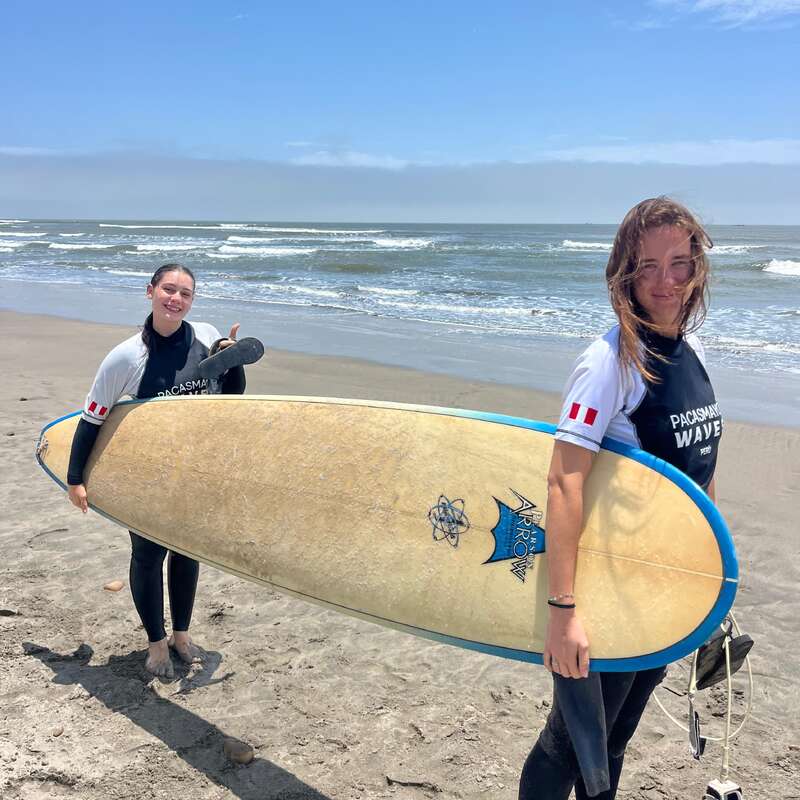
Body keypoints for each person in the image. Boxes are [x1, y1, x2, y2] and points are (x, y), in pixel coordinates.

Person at [519, 197, 721, 799]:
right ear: (623, 274)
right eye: (647, 266)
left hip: (663, 590)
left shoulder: (694, 354)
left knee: (611, 743)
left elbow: (700, 477)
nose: (666, 281)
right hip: (606, 591)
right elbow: (564, 481)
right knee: (568, 745)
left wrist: (712, 577)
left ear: (698, 269)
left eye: (680, 263)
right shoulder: (608, 363)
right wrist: (563, 612)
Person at [66, 263, 249, 679]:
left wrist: (230, 359)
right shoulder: (126, 357)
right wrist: (76, 479)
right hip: (146, 474)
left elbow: (231, 396)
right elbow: (91, 420)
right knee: (148, 555)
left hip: (193, 468)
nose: (176, 299)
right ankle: (155, 644)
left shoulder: (205, 335)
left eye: (185, 293)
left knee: (186, 551)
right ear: (150, 291)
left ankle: (181, 636)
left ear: (192, 300)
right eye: (168, 289)